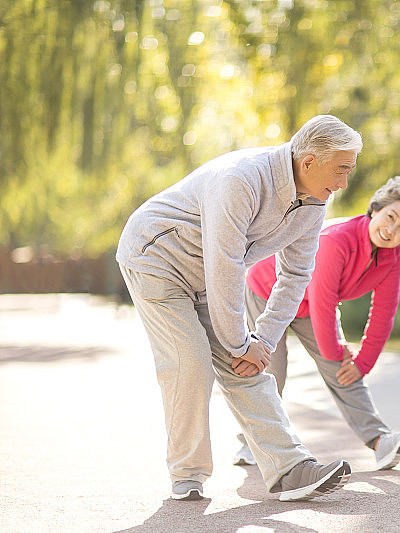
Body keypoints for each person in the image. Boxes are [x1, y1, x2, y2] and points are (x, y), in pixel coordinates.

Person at [116, 115, 362, 502]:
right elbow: (225, 265)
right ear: (309, 161)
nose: (344, 183)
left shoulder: (314, 201)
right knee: (191, 361)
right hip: (155, 259)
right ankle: (187, 473)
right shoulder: (241, 180)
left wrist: (260, 341)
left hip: (207, 276)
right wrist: (239, 340)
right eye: (341, 170)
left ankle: (290, 468)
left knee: (246, 364)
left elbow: (297, 274)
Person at [235, 176, 400, 471]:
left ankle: (381, 442)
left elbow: (383, 313)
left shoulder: (393, 256)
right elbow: (323, 304)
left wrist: (361, 363)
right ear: (375, 210)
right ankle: (251, 442)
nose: (392, 229)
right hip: (269, 292)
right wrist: (337, 352)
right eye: (390, 217)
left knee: (344, 370)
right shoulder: (337, 240)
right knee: (272, 372)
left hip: (308, 305)